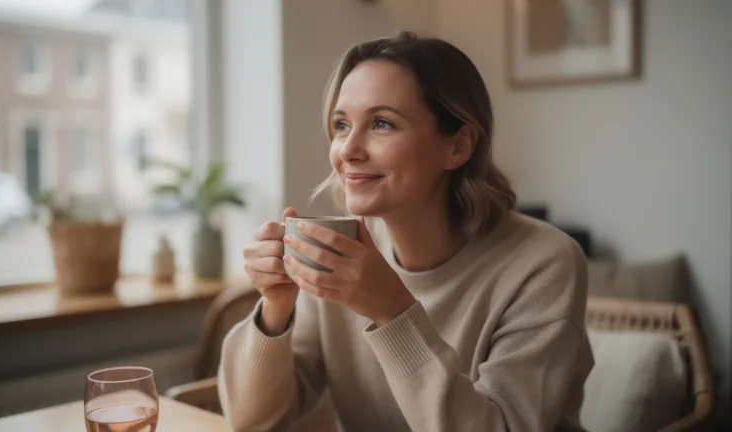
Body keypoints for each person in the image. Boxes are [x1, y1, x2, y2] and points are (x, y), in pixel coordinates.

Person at [219, 31, 593, 432]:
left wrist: (392, 310)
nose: (347, 150)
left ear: (459, 146)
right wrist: (275, 309)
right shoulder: (339, 248)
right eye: (341, 124)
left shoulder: (544, 264)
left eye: (381, 123)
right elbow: (252, 422)